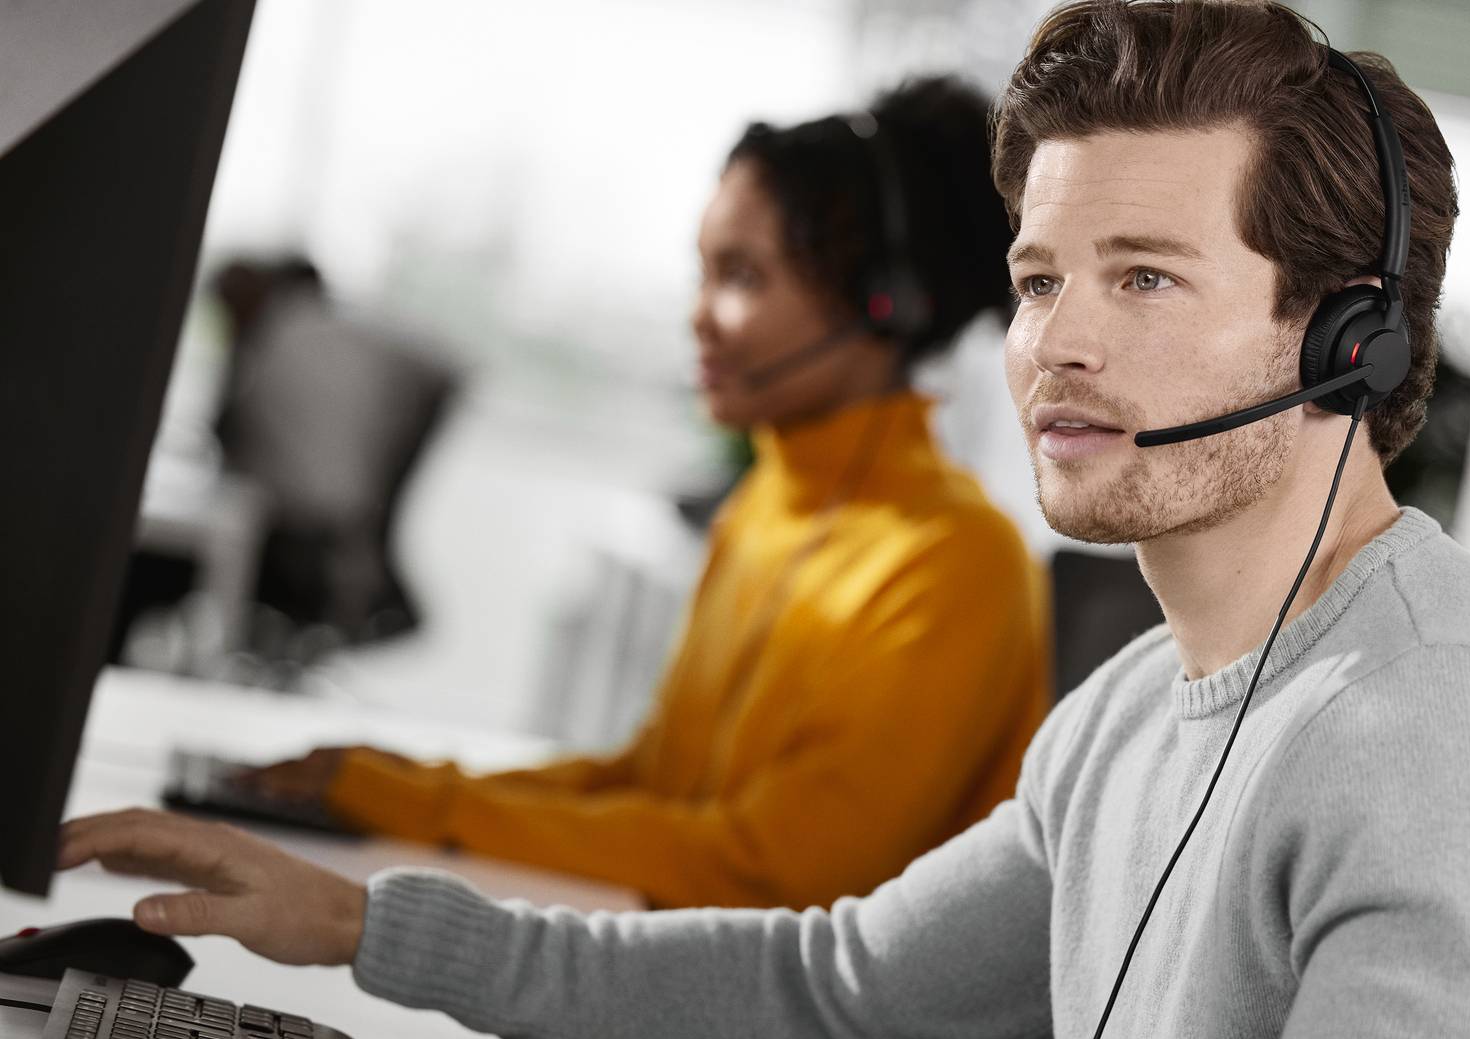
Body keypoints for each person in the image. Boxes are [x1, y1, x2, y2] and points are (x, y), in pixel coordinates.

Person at [59, 4, 1470, 1039]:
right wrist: (371, 925)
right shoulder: (1139, 710)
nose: (1057, 346)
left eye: (1145, 279)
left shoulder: (1451, 728)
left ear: (1349, 336)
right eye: (1041, 279)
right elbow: (838, 995)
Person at [249, 77, 1050, 912]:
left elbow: (772, 873)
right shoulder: (765, 508)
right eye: (703, 271)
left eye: (742, 275)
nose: (700, 315)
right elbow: (656, 783)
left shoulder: (956, 562)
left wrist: (423, 807)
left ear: (887, 302)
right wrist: (403, 783)